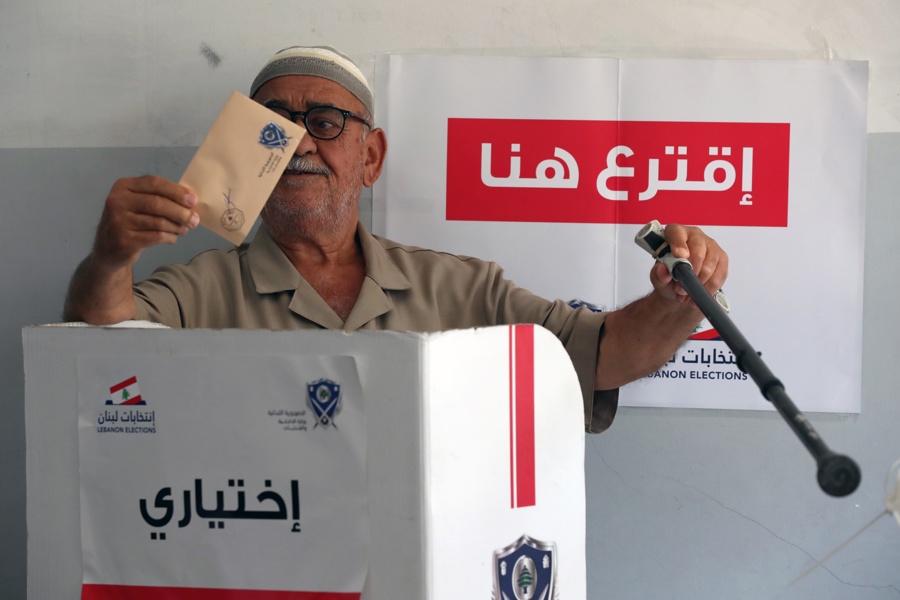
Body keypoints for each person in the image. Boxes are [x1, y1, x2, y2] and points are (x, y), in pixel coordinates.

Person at [64, 45, 728, 433]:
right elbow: (102, 357)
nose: (295, 140)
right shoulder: (197, 289)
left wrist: (682, 298)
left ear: (372, 157)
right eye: (273, 123)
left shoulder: (464, 289)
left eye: (322, 121)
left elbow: (601, 357)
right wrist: (110, 258)